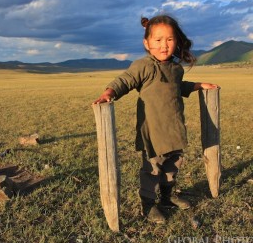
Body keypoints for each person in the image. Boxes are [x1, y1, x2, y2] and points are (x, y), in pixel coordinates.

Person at [93, 14, 218, 224]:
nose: (164, 45)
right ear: (147, 43)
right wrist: (109, 93)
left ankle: (167, 197)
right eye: (158, 40)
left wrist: (196, 85)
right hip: (153, 131)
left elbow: (177, 87)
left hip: (174, 128)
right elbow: (125, 80)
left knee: (173, 164)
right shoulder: (144, 65)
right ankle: (148, 205)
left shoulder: (175, 68)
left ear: (176, 41)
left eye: (169, 39)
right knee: (152, 169)